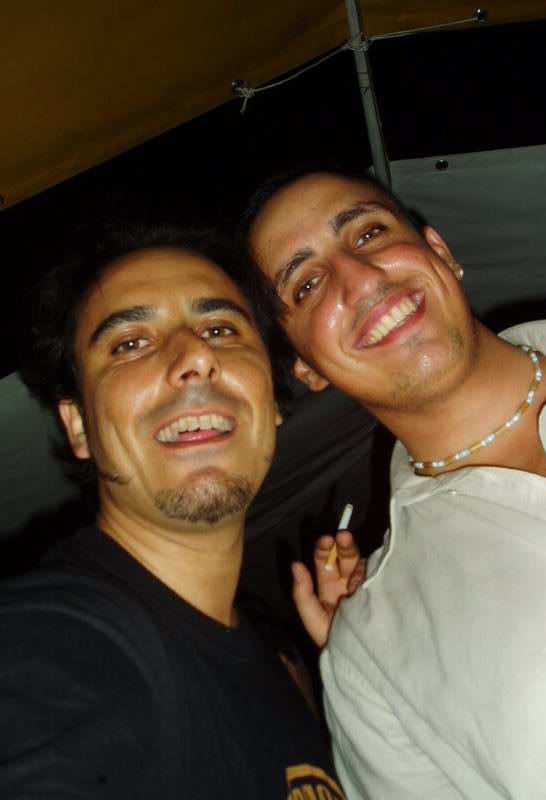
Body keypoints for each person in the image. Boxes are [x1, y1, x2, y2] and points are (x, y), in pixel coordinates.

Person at [242, 166, 546, 799]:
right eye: (307, 284)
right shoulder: (373, 658)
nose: (360, 279)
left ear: (439, 249)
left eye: (368, 233)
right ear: (305, 367)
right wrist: (384, 645)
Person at [0, 217, 349, 800]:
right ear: (79, 425)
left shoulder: (279, 672)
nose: (195, 357)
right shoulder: (52, 642)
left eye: (221, 329)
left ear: (271, 399)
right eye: (130, 344)